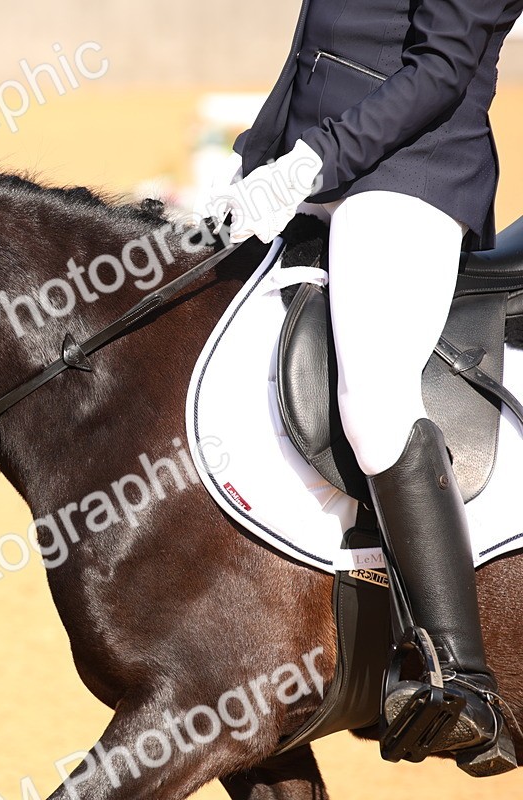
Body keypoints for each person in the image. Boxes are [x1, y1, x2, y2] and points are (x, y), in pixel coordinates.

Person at [205, 0, 523, 776]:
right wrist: (259, 162)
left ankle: (459, 677)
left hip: (411, 174)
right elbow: (324, 43)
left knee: (374, 401)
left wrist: (311, 164)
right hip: (314, 167)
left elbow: (444, 66)